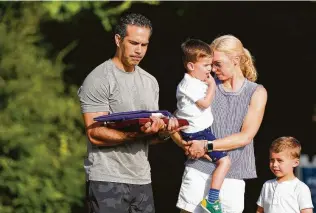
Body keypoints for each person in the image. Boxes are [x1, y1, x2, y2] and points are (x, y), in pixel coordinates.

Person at [77, 13, 179, 213]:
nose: (139, 50)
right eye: (133, 43)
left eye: (144, 45)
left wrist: (165, 131)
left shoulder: (150, 82)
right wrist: (136, 134)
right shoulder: (98, 79)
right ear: (118, 40)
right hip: (106, 179)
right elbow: (94, 134)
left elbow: (151, 138)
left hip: (142, 179)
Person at [174, 34, 268, 213]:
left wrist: (205, 145)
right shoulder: (204, 85)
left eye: (217, 64)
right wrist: (184, 144)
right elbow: (175, 121)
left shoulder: (256, 92)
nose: (212, 69)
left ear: (236, 60)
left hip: (233, 176)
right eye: (210, 64)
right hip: (198, 170)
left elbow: (245, 137)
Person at [171, 39, 231, 213]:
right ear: (191, 66)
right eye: (206, 65)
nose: (210, 70)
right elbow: (205, 103)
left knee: (210, 158)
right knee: (225, 162)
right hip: (198, 134)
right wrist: (212, 85)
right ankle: (212, 200)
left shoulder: (194, 81)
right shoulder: (188, 85)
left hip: (198, 133)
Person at [256, 136, 314, 213]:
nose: (275, 164)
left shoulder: (300, 188)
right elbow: (260, 210)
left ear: (295, 163)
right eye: (272, 160)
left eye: (280, 160)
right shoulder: (267, 185)